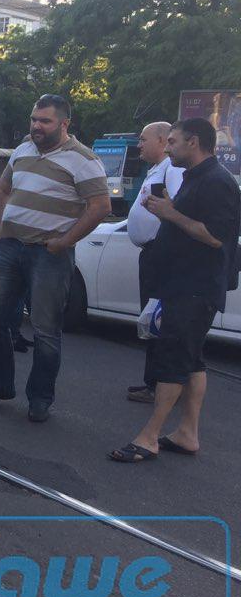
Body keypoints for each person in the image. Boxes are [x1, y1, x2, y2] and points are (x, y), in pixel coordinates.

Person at [0, 94, 111, 422]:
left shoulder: (83, 159)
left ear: (64, 124)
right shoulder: (22, 151)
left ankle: (40, 398)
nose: (36, 126)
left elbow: (101, 206)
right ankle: (0, 384)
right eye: (33, 119)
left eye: (44, 121)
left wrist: (64, 242)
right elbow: (1, 191)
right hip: (10, 248)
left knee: (45, 330)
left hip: (49, 255)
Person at [110, 119, 240, 462]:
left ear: (194, 142)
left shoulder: (217, 182)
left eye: (172, 142)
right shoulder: (197, 177)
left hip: (194, 288)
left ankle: (149, 436)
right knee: (192, 361)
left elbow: (216, 236)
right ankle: (187, 434)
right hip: (183, 283)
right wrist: (170, 211)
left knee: (172, 360)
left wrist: (172, 214)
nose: (167, 149)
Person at [124, 121, 185, 403]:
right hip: (152, 253)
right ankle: (152, 381)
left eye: (143, 139)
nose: (139, 145)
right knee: (150, 318)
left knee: (156, 319)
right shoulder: (157, 170)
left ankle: (158, 385)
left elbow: (174, 209)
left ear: (162, 141)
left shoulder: (171, 170)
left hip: (161, 254)